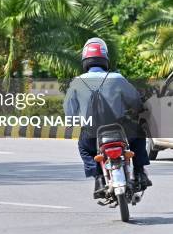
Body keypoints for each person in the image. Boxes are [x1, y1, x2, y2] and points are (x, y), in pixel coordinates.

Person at [64, 38, 152, 198]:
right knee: (139, 136)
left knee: (84, 148)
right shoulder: (117, 78)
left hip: (92, 133)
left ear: (85, 60)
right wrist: (139, 108)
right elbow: (135, 100)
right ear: (105, 59)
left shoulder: (77, 82)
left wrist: (71, 121)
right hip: (121, 129)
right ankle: (140, 173)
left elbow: (69, 110)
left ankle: (98, 178)